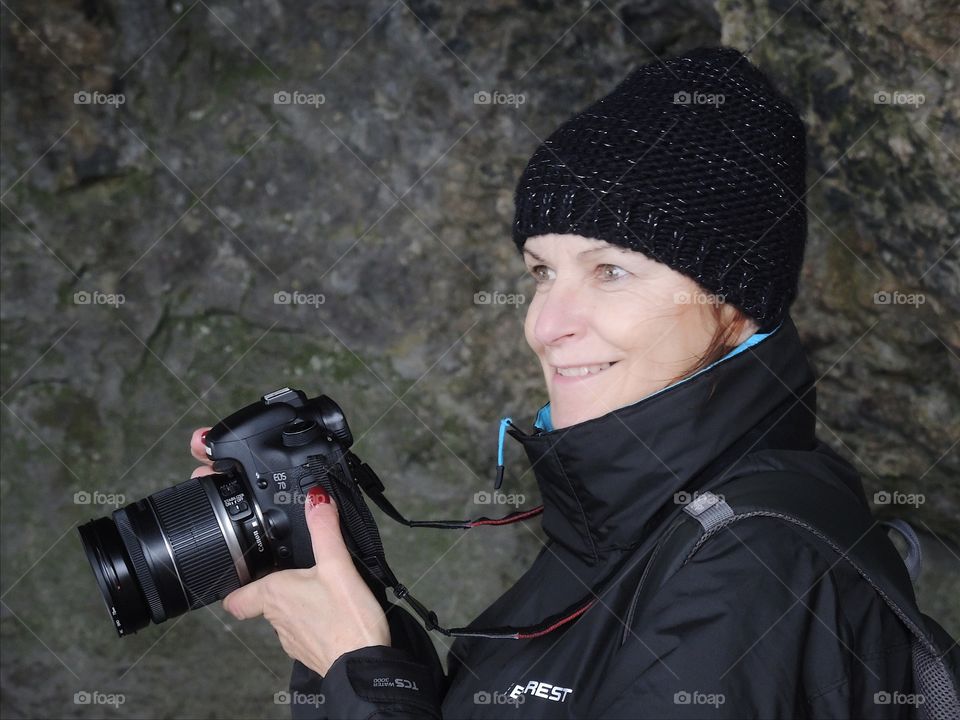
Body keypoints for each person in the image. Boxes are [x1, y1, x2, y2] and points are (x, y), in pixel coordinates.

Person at [190, 47, 916, 718]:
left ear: (732, 304)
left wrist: (357, 676)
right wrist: (374, 651)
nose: (546, 325)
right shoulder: (627, 528)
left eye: (611, 271)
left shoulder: (753, 564)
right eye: (542, 271)